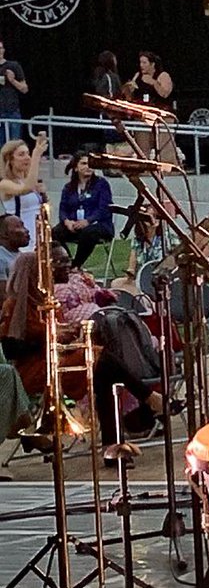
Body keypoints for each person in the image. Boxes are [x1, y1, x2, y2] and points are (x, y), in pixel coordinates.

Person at [2, 249, 169, 463]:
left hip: (55, 360)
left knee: (102, 373)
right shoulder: (15, 305)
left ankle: (114, 443)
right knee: (100, 360)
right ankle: (146, 401)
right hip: (34, 370)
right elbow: (10, 348)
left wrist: (66, 332)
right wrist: (52, 337)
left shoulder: (44, 301)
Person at [52, 153, 114, 268]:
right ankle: (67, 261)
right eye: (84, 163)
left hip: (98, 225)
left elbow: (105, 208)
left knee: (88, 233)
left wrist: (88, 221)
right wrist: (67, 222)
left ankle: (76, 265)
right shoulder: (68, 187)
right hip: (75, 225)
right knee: (54, 233)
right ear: (76, 167)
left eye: (90, 164)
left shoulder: (102, 184)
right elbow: (62, 209)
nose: (88, 166)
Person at [126, 51, 178, 163]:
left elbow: (165, 93)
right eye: (140, 62)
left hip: (162, 115)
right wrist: (129, 90)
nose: (141, 65)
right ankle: (144, 166)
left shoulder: (163, 75)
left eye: (144, 63)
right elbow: (129, 97)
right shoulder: (137, 75)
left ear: (152, 64)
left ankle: (168, 167)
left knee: (164, 143)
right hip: (143, 114)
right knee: (142, 143)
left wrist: (154, 83)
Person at [0, 134, 47, 246]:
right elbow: (26, 189)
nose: (27, 157)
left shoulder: (29, 180)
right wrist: (36, 156)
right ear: (9, 160)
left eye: (28, 153)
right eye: (21, 155)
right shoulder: (4, 183)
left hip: (38, 233)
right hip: (20, 236)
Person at [0, 39, 28, 144]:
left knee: (15, 144)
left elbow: (25, 89)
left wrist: (12, 80)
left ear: (4, 50)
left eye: (0, 48)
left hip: (12, 111)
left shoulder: (13, 66)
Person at [0, 213, 30, 292]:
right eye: (19, 226)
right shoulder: (1, 258)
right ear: (4, 234)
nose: (27, 230)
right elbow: (3, 297)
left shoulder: (21, 256)